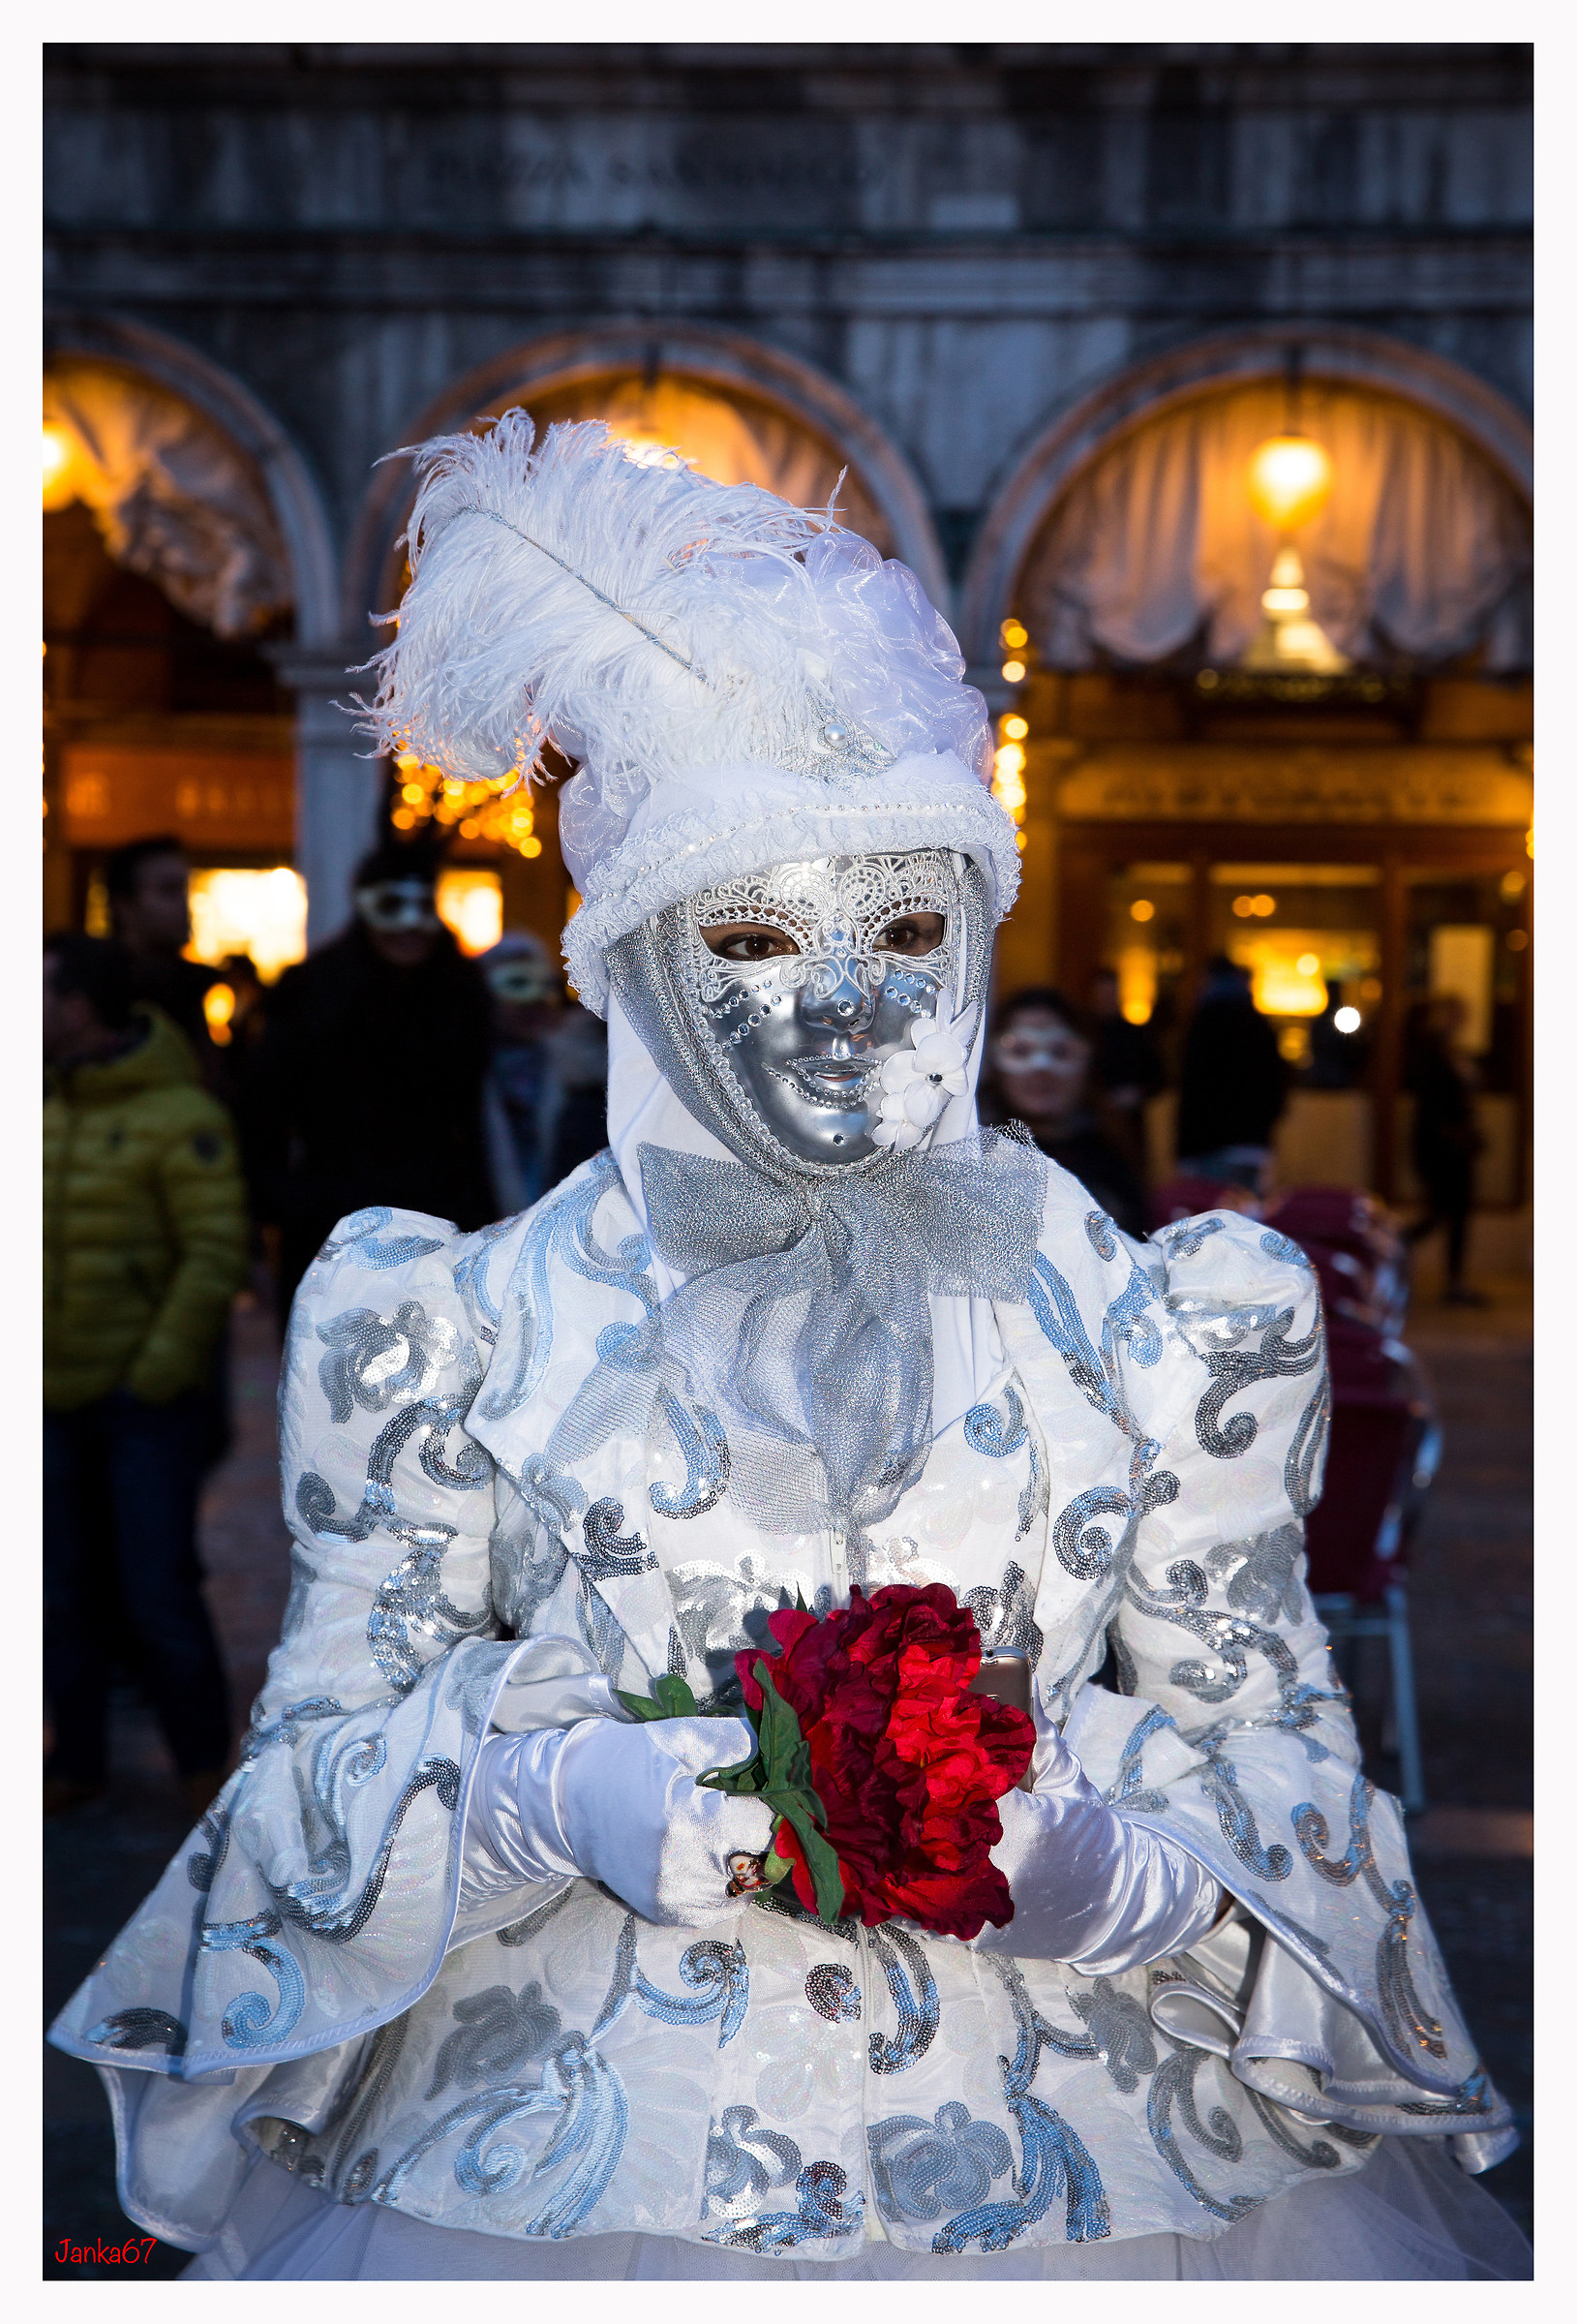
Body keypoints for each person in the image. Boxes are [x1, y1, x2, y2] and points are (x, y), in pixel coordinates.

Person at [53, 415, 1528, 2280]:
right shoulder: (442, 1324)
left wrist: (1131, 1875)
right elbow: (292, 1807)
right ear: (639, 965)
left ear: (982, 936)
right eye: (751, 936)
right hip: (552, 2171)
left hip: (1100, 2172)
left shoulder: (1173, 1329)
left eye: (910, 923)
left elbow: (1296, 1776)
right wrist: (530, 1802)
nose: (846, 1004)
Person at [43, 934, 248, 1818]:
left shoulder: (179, 1112)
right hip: (50, 1397)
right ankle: (72, 1762)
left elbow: (213, 1252)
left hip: (140, 1404)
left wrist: (156, 1373)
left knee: (156, 1587)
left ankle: (204, 1770)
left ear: (79, 1006)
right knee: (59, 1588)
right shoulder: (44, 1101)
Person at [241, 835, 496, 1318]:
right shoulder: (311, 993)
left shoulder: (463, 993)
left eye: (422, 905)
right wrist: (288, 1201)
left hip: (442, 1225)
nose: (409, 925)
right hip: (334, 1228)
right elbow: (263, 1113)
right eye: (391, 905)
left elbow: (479, 1115)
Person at [980, 986, 1146, 1238]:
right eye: (1020, 1051)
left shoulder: (1115, 1155)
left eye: (1060, 1051)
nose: (1041, 1068)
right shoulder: (968, 1155)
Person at [479, 931, 608, 1214]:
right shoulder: (459, 1078)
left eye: (546, 984)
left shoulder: (593, 1077)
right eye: (515, 983)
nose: (533, 1000)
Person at [106, 834, 228, 1087]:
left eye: (185, 889)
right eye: (168, 891)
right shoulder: (98, 997)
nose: (185, 904)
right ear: (124, 906)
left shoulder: (188, 987)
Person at [1174, 955, 1288, 1195]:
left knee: (1216, 1222)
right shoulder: (1259, 1024)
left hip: (1214, 1146)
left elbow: (1196, 1090)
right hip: (1254, 1145)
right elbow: (1277, 1085)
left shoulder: (1205, 1023)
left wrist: (1186, 1152)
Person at [1403, 994, 1486, 1306]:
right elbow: (1434, 1104)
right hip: (1441, 1147)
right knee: (1443, 1211)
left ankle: (1453, 1280)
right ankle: (1396, 1246)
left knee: (1453, 1212)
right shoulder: (1432, 1052)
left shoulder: (1449, 1051)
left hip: (1451, 1145)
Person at [1085, 966, 1165, 1170]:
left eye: (1110, 994)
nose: (1106, 999)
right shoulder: (1084, 1033)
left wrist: (1136, 1093)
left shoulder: (1136, 1035)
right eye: (1102, 994)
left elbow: (1159, 1077)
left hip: (1129, 1128)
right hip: (1090, 1124)